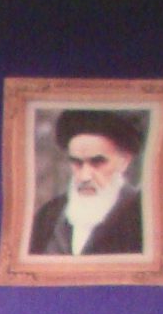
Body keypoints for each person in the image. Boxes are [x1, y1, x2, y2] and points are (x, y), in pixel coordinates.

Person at [30, 109, 147, 256]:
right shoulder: (49, 215)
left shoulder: (143, 215)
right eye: (77, 163)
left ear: (124, 161)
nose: (84, 177)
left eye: (97, 162)